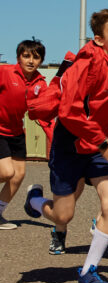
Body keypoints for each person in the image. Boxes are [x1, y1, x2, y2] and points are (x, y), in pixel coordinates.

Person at [23, 7, 108, 283]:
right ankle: (36, 202)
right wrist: (106, 144)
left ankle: (88, 272)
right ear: (100, 40)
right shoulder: (86, 65)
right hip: (70, 143)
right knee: (63, 215)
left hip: (99, 146)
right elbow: (68, 113)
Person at [0, 39, 48, 229]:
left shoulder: (40, 83)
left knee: (18, 175)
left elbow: (45, 111)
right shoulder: (5, 72)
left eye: (36, 57)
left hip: (17, 132)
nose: (30, 61)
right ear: (19, 57)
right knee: (6, 172)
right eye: (26, 56)